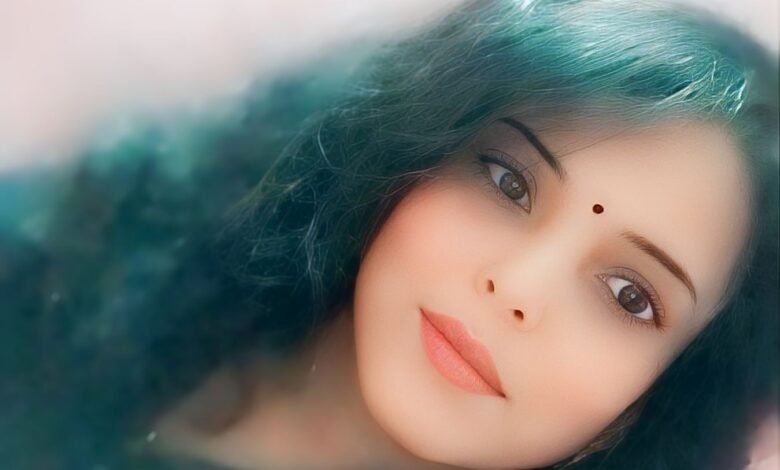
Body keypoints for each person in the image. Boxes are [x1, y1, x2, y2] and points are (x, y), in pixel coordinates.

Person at [1, 0, 777, 469]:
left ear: (662, 398)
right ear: (410, 150)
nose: (518, 287)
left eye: (629, 295)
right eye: (508, 182)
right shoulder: (69, 256)